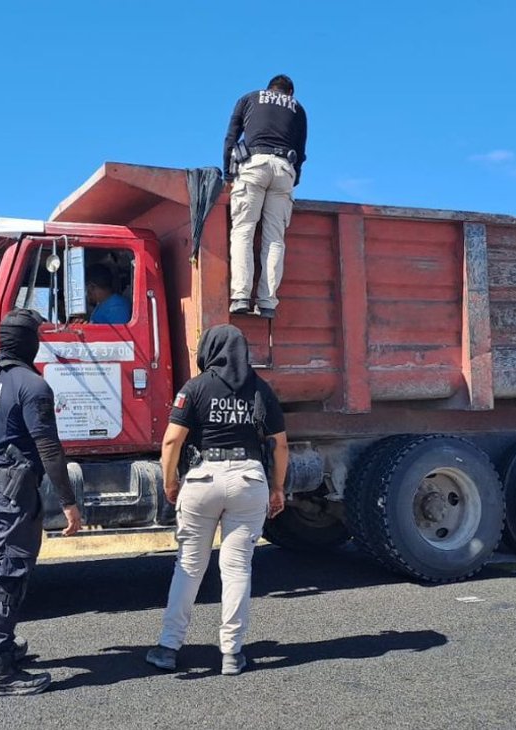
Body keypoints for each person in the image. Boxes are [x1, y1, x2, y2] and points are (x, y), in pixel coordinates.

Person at [145, 324, 288, 676]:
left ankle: (167, 647)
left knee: (189, 567)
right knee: (237, 568)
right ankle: (231, 653)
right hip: (248, 480)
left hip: (203, 479)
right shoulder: (259, 388)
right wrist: (277, 488)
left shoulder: (195, 388)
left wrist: (169, 481)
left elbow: (171, 442)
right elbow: (280, 444)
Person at [0, 308, 83, 698]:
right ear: (29, 342)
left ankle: (0, 646)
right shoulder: (32, 385)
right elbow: (48, 446)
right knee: (7, 575)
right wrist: (68, 502)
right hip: (9, 495)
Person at [222, 74, 308, 320]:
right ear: (289, 92)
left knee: (243, 231)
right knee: (274, 239)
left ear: (270, 87)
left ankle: (240, 296)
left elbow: (231, 137)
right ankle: (268, 302)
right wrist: (295, 178)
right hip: (284, 168)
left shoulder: (249, 98)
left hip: (253, 165)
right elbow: (301, 151)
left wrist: (229, 174)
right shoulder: (298, 108)